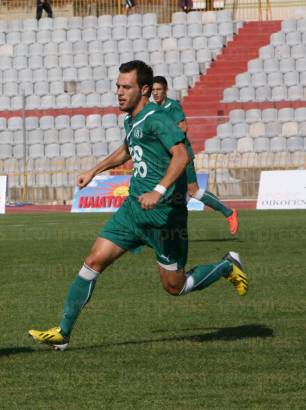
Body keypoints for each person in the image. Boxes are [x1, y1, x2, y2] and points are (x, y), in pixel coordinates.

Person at [28, 61, 248, 351]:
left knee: (175, 286)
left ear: (144, 89)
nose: (119, 92)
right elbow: (127, 149)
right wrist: (95, 170)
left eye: (126, 87)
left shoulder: (158, 118)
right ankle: (63, 333)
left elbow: (181, 156)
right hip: (133, 211)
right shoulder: (132, 119)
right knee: (92, 262)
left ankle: (226, 266)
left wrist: (158, 191)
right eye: (118, 87)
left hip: (164, 218)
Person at [152, 76, 238, 235]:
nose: (155, 93)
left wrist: (163, 136)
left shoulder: (172, 106)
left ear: (165, 90)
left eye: (158, 90)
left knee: (193, 191)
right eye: (153, 90)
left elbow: (183, 127)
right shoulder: (153, 108)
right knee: (169, 192)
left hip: (182, 156)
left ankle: (228, 212)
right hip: (168, 158)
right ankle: (167, 230)